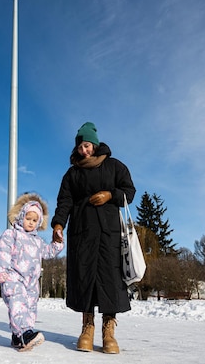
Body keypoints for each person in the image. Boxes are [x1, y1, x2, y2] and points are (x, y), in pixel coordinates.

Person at [51, 122, 135, 354]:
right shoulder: (72, 174)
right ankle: (87, 328)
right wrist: (58, 223)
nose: (83, 151)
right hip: (81, 232)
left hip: (109, 233)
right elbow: (64, 201)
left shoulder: (114, 166)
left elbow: (129, 191)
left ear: (95, 145)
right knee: (84, 277)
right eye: (80, 147)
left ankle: (109, 332)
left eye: (87, 146)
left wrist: (110, 195)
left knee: (110, 279)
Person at [0, 193, 64, 351]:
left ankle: (18, 336)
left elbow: (47, 252)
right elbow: (2, 251)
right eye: (28, 218)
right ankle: (25, 333)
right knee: (17, 304)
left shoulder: (38, 241)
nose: (31, 223)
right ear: (20, 217)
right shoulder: (11, 234)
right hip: (13, 278)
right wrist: (2, 270)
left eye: (35, 220)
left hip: (31, 282)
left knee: (30, 308)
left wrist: (57, 244)